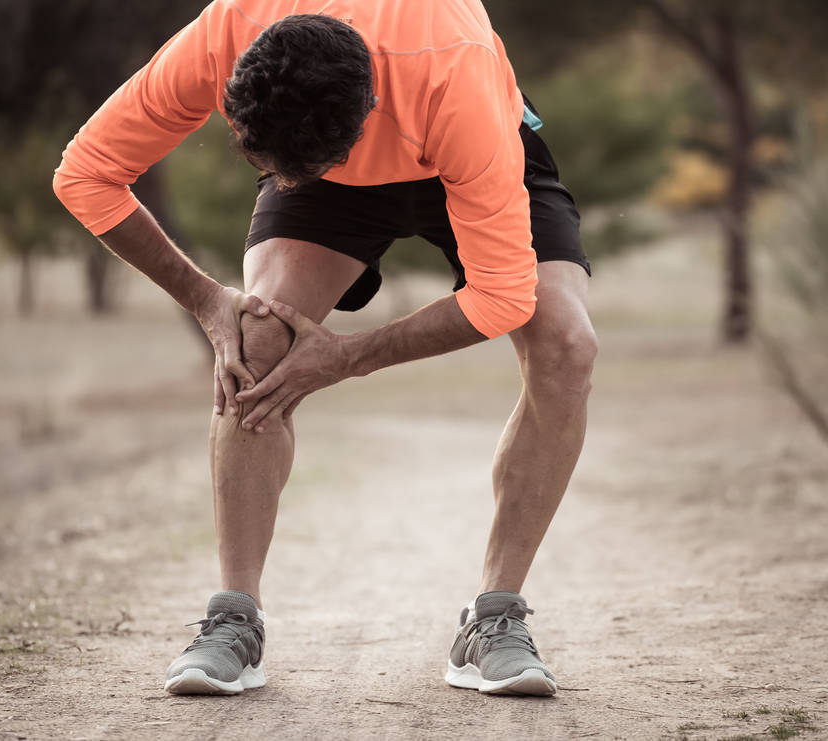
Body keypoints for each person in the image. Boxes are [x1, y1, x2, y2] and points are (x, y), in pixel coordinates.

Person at [53, 0, 596, 697]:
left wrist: (347, 356)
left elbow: (503, 297)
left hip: (460, 137)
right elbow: (85, 173)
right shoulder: (228, 29)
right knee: (260, 339)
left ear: (366, 112)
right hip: (334, 157)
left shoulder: (450, 71)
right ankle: (234, 618)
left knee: (567, 345)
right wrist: (207, 302)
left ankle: (493, 618)